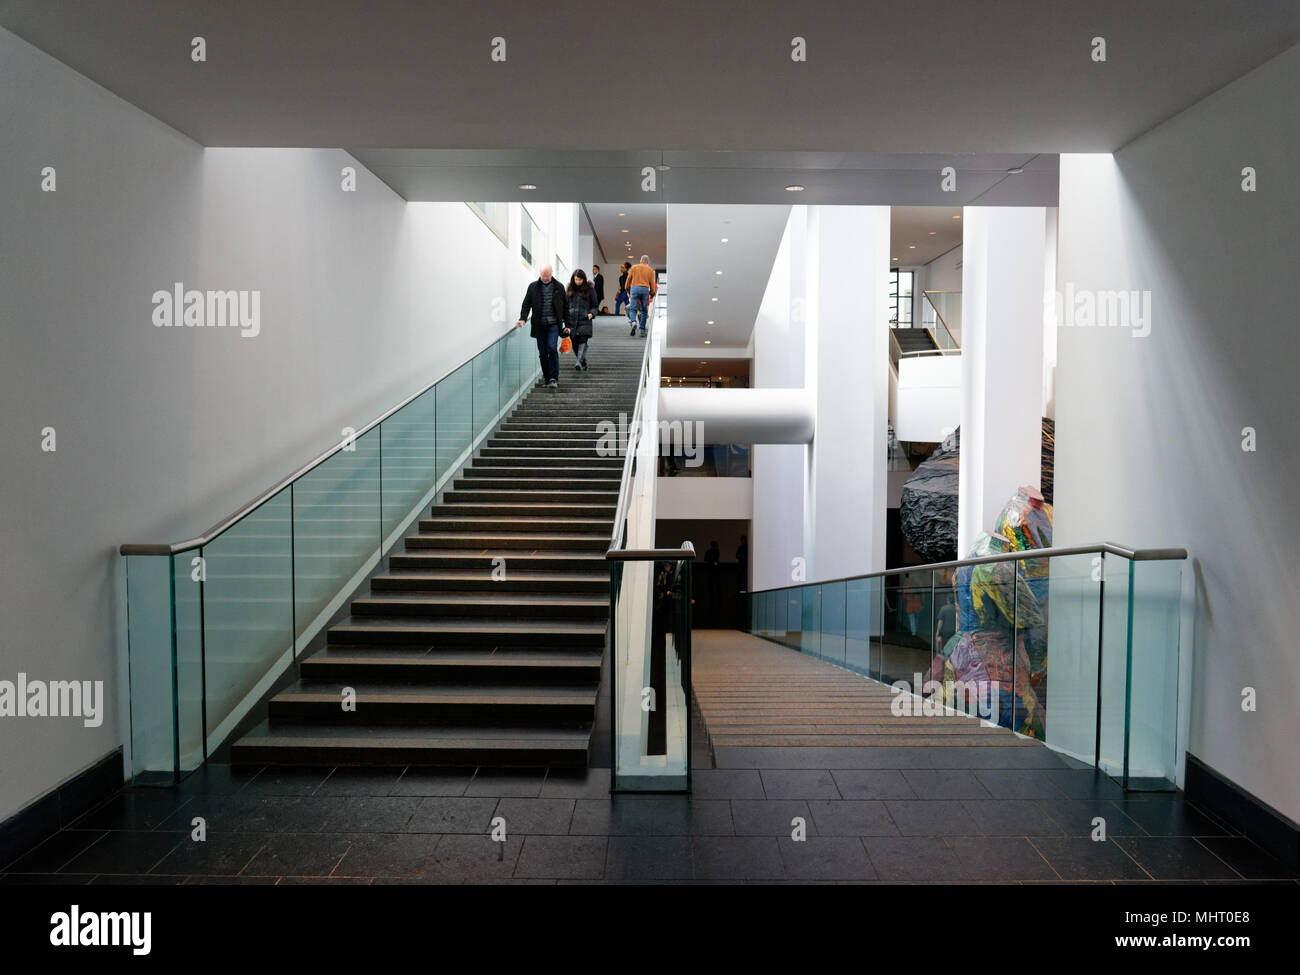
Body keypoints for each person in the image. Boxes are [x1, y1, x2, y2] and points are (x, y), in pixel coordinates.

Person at [516, 265, 570, 390]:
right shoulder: (533, 287)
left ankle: (553, 378)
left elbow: (566, 307)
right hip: (539, 325)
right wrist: (523, 318)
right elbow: (526, 304)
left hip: (554, 324)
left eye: (547, 276)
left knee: (551, 348)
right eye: (543, 276)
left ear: (551, 274)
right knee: (542, 353)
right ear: (540, 274)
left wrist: (568, 325)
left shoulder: (559, 287)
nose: (545, 278)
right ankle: (547, 378)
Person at [565, 268, 597, 371]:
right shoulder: (569, 289)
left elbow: (595, 305)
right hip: (572, 321)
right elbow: (565, 305)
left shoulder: (589, 289)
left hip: (585, 319)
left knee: (583, 340)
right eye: (576, 279)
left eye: (580, 279)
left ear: (583, 279)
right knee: (574, 343)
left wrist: (591, 313)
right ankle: (582, 361)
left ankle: (578, 362)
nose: (578, 281)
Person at [625, 254, 657, 337]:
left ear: (640, 261)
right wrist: (652, 294)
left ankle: (633, 322)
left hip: (634, 288)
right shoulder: (650, 270)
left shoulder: (634, 268)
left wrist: (628, 289)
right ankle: (642, 330)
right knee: (644, 311)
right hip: (644, 289)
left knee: (633, 309)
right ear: (648, 262)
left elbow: (628, 280)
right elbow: (652, 284)